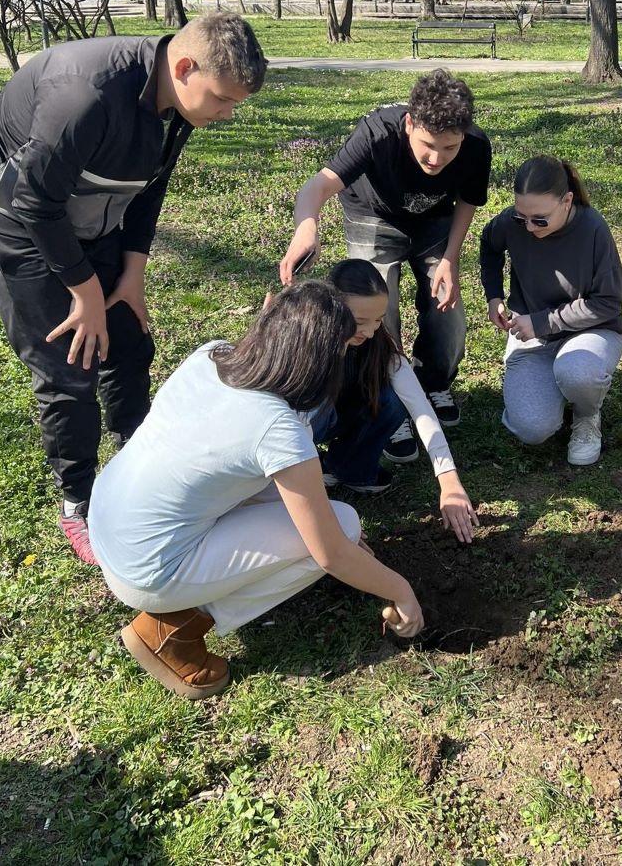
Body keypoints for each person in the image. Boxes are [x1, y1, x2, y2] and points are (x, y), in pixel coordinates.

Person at [0, 12, 266, 565]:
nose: (227, 113)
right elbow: (34, 203)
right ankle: (78, 502)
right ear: (185, 66)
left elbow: (150, 187)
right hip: (15, 215)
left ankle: (137, 456)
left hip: (85, 209)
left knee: (126, 336)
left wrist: (131, 275)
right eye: (223, 99)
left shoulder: (176, 102)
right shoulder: (84, 95)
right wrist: (84, 291)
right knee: (68, 359)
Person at [87, 282, 425, 700]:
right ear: (319, 363)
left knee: (330, 528)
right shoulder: (277, 427)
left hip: (107, 519)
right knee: (342, 525)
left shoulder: (212, 355)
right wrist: (400, 591)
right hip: (148, 569)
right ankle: (173, 630)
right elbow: (331, 552)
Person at [279, 69, 492, 464]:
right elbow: (318, 185)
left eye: (449, 148)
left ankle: (432, 384)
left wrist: (450, 260)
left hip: (435, 223)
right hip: (372, 217)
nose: (436, 158)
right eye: (428, 145)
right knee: (377, 314)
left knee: (449, 311)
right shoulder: (377, 133)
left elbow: (468, 201)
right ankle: (386, 401)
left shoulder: (476, 145)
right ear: (410, 123)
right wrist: (306, 227)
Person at [312, 259, 480, 542]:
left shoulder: (379, 348)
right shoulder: (307, 345)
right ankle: (311, 470)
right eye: (359, 321)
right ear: (331, 308)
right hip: (308, 423)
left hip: (347, 418)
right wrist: (323, 514)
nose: (370, 331)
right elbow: (287, 423)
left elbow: (420, 409)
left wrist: (449, 479)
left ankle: (344, 468)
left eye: (378, 320)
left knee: (391, 401)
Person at [480, 156, 622, 466]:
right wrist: (493, 295)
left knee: (578, 373)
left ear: (567, 201)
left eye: (540, 219)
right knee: (532, 428)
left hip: (590, 331)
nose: (530, 227)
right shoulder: (513, 223)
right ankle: (552, 390)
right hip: (533, 338)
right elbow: (489, 244)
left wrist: (544, 321)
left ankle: (586, 415)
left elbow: (607, 303)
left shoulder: (593, 229)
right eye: (522, 217)